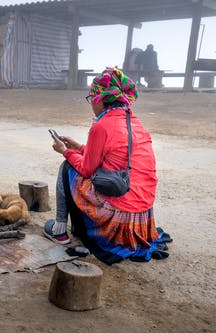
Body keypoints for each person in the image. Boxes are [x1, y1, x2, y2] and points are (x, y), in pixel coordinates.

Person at [44, 67, 171, 264]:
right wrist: (78, 147)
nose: (91, 104)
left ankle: (60, 229)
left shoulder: (101, 126)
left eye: (91, 98)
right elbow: (114, 156)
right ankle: (75, 226)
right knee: (73, 160)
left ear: (100, 99)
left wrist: (65, 151)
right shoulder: (134, 121)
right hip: (141, 212)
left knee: (67, 167)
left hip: (119, 211)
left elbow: (87, 169)